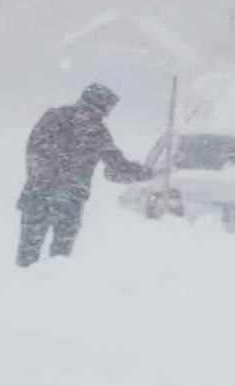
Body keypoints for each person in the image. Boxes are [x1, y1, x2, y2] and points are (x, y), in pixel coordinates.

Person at [16, 83, 151, 267]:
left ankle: (21, 290)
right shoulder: (97, 132)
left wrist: (42, 179)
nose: (107, 113)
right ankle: (51, 289)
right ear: (101, 106)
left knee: (27, 256)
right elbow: (117, 166)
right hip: (70, 201)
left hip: (37, 195)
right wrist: (144, 173)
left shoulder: (54, 117)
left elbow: (33, 151)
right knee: (60, 259)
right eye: (107, 108)